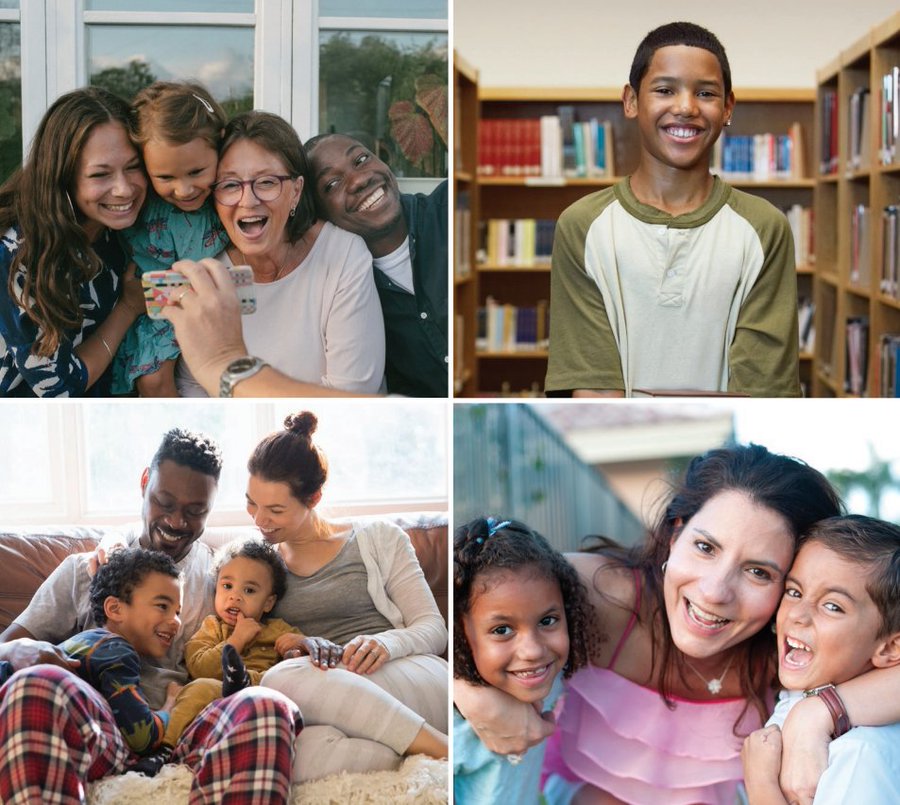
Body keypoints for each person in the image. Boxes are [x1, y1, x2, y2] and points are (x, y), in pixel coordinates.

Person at [456, 443, 848, 804]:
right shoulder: (599, 594)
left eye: (759, 572)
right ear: (676, 533)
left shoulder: (794, 645)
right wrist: (466, 694)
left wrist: (821, 711)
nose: (715, 592)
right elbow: (456, 592)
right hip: (590, 789)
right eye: (705, 547)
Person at [0, 428, 302, 804]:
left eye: (195, 512)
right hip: (101, 724)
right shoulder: (84, 570)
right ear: (145, 482)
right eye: (165, 502)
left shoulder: (220, 579)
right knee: (35, 683)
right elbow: (8, 644)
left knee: (267, 705)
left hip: (185, 726)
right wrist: (20, 650)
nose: (177, 522)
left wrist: (305, 645)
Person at [544, 22, 801, 397]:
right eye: (665, 90)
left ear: (728, 107)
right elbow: (593, 384)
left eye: (706, 93)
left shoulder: (765, 228)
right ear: (631, 101)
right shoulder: (581, 225)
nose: (685, 107)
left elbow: (762, 392)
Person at [243, 411, 448, 783]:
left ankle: (445, 751)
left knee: (278, 682)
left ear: (314, 498)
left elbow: (434, 628)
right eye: (251, 504)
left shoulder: (378, 538)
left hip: (404, 675)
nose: (259, 520)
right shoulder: (256, 564)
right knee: (293, 755)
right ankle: (406, 754)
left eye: (275, 509)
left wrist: (384, 643)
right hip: (325, 694)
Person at [173, 111, 385, 397]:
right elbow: (191, 384)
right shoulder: (206, 272)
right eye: (231, 185)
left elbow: (355, 392)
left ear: (296, 191)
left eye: (267, 182)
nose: (248, 201)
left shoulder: (343, 254)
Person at [742, 515, 900, 805]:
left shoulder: (859, 755)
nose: (797, 615)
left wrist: (761, 787)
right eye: (794, 592)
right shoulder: (798, 695)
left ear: (891, 648)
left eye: (832, 606)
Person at [0, 86, 147, 396]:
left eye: (133, 167)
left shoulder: (127, 230)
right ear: (63, 176)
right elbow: (59, 389)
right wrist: (128, 308)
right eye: (100, 175)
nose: (124, 189)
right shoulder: (17, 253)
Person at [453, 517, 594, 804]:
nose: (532, 651)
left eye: (547, 621)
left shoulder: (550, 673)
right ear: (462, 633)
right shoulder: (456, 725)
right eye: (502, 630)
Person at [0, 548, 183, 757]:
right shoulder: (117, 652)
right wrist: (170, 705)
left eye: (177, 611)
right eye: (162, 606)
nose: (176, 621)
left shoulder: (85, 643)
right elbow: (141, 739)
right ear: (115, 609)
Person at [306, 133, 448, 397]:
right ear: (319, 215)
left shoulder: (452, 208)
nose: (359, 179)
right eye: (333, 183)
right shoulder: (342, 297)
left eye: (361, 159)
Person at [112, 81, 229, 397]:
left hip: (217, 302)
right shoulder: (143, 209)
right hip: (158, 307)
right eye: (165, 177)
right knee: (152, 381)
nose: (184, 189)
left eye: (196, 171)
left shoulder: (227, 200)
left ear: (219, 146)